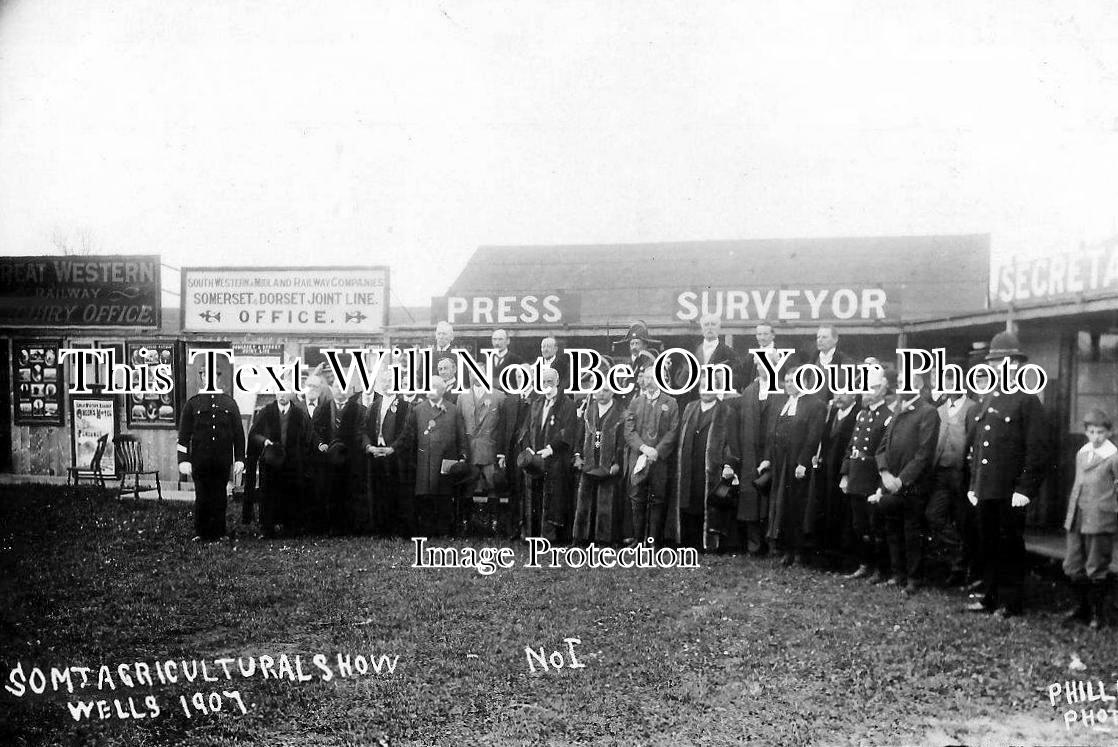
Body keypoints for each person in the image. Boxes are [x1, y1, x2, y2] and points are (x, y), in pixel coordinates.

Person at [964, 331, 1051, 619]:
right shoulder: (988, 400)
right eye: (992, 363)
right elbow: (979, 446)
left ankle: (1010, 601)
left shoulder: (1027, 401)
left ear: (1015, 365)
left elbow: (1038, 451)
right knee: (986, 543)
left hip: (1010, 491)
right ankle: (990, 596)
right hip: (986, 488)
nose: (995, 368)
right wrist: (975, 483)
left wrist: (1025, 489)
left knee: (1008, 545)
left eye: (1001, 362)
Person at [874, 372, 940, 595]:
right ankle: (897, 574)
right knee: (892, 529)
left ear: (919, 384)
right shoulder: (897, 410)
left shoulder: (928, 412)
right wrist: (884, 473)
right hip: (890, 482)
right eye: (900, 382)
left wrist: (901, 480)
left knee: (911, 531)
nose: (901, 386)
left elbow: (924, 454)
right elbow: (882, 447)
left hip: (912, 486)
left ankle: (914, 578)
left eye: (906, 382)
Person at [760, 366, 825, 565]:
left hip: (797, 464)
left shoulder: (815, 404)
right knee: (783, 506)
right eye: (787, 381)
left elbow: (813, 437)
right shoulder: (784, 403)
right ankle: (786, 549)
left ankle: (799, 552)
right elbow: (774, 433)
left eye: (793, 380)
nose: (789, 384)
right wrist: (769, 458)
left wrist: (803, 462)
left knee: (798, 507)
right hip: (781, 463)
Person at [668, 373, 738, 551]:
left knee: (707, 502)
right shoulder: (690, 407)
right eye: (703, 387)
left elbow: (732, 442)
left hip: (711, 467)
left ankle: (708, 544)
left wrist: (729, 464)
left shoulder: (726, 411)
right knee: (688, 501)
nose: (706, 391)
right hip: (689, 465)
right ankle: (687, 541)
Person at [1061, 409, 1118, 629]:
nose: (1096, 436)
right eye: (1091, 431)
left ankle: (1097, 614)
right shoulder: (1082, 453)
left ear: (1109, 433)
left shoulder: (1113, 456)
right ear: (1086, 432)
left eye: (1101, 432)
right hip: (1077, 514)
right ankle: (1081, 608)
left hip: (1100, 516)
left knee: (1096, 565)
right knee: (1073, 564)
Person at [177, 366, 245, 541]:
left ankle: (219, 532)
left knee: (219, 496)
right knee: (202, 495)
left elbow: (239, 434)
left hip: (221, 460)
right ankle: (202, 533)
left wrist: (239, 459)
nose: (210, 378)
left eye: (213, 374)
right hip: (200, 460)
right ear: (202, 377)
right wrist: (183, 460)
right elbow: (183, 436)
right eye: (206, 375)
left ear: (218, 377)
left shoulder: (229, 403)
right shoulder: (193, 404)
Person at [926, 367, 978, 586]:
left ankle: (966, 570)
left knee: (965, 521)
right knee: (933, 515)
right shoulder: (938, 410)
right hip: (941, 475)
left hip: (963, 475)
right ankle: (957, 560)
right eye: (946, 380)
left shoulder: (973, 408)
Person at [841, 366, 894, 582]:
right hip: (856, 475)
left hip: (872, 476)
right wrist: (845, 474)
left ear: (882, 389)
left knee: (876, 526)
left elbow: (885, 453)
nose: (866, 393)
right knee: (859, 525)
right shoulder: (862, 415)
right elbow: (851, 446)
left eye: (871, 388)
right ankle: (864, 564)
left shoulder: (888, 417)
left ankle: (880, 569)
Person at [246, 390, 322, 537]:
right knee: (269, 495)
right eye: (279, 392)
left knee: (291, 495)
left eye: (286, 392)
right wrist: (264, 441)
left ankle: (290, 527)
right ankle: (268, 528)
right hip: (270, 463)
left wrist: (316, 448)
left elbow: (309, 437)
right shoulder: (266, 412)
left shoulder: (299, 414)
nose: (282, 396)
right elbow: (254, 434)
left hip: (292, 465)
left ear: (292, 394)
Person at [401, 375, 468, 537]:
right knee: (426, 496)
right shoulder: (418, 409)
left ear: (443, 390)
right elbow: (410, 437)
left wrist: (463, 455)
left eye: (435, 387)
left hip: (446, 460)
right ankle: (427, 530)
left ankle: (444, 530)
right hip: (425, 460)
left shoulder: (453, 409)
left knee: (444, 495)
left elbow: (461, 435)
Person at [623, 367, 680, 547]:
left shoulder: (671, 403)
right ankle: (638, 539)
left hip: (659, 460)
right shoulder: (636, 402)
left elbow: (673, 431)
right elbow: (629, 430)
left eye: (652, 378)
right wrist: (643, 448)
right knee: (637, 497)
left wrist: (657, 451)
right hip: (639, 457)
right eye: (646, 378)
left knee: (658, 498)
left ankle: (654, 539)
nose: (648, 382)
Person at [520, 366, 577, 541]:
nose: (546, 385)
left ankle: (549, 536)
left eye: (550, 381)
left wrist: (550, 448)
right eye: (543, 382)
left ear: (557, 382)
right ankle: (532, 534)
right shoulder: (536, 403)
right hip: (535, 458)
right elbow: (526, 429)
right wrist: (529, 447)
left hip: (555, 459)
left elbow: (567, 431)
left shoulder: (567, 404)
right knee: (533, 496)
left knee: (552, 498)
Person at [805, 390, 859, 569]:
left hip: (843, 472)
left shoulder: (856, 415)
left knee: (842, 514)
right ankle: (824, 557)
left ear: (854, 395)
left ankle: (841, 560)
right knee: (825, 510)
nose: (838, 397)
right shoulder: (834, 413)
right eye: (836, 392)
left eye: (844, 393)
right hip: (826, 471)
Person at [572, 379, 626, 545]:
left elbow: (621, 442)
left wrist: (617, 462)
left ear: (613, 392)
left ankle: (603, 539)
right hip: (589, 462)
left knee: (605, 502)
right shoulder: (589, 410)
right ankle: (580, 537)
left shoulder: (620, 413)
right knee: (583, 502)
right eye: (599, 390)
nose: (601, 394)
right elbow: (580, 434)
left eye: (606, 391)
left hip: (608, 464)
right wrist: (577, 455)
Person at [732, 368, 780, 556]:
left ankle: (772, 544)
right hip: (750, 452)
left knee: (771, 496)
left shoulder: (781, 390)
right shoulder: (750, 391)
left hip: (772, 451)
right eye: (760, 363)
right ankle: (754, 545)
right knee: (751, 496)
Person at [363, 365, 414, 536]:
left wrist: (393, 448)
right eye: (384, 381)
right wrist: (369, 446)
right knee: (377, 491)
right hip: (375, 454)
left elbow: (407, 432)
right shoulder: (373, 406)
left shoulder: (406, 406)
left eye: (391, 381)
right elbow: (363, 430)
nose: (387, 384)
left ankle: (395, 529)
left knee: (395, 491)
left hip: (395, 456)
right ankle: (379, 528)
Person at [458, 369, 509, 535]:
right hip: (469, 450)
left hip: (490, 449)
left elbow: (504, 427)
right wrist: (462, 451)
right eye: (473, 373)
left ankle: (494, 524)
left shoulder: (499, 396)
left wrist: (501, 451)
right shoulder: (462, 397)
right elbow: (459, 426)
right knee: (468, 486)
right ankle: (466, 523)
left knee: (493, 485)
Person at [313, 379, 366, 535]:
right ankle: (329, 526)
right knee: (328, 491)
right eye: (337, 386)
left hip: (349, 459)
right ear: (332, 388)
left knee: (348, 491)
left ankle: (348, 526)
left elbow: (361, 432)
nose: (340, 390)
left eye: (344, 387)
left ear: (350, 391)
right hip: (327, 458)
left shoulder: (359, 410)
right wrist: (321, 443)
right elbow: (314, 431)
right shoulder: (321, 409)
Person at [675, 313, 739, 405]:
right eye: (706, 325)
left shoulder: (729, 353)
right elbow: (680, 382)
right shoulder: (691, 351)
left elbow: (737, 380)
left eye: (713, 324)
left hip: (720, 405)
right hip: (694, 402)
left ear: (719, 328)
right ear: (702, 328)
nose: (709, 328)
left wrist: (717, 379)